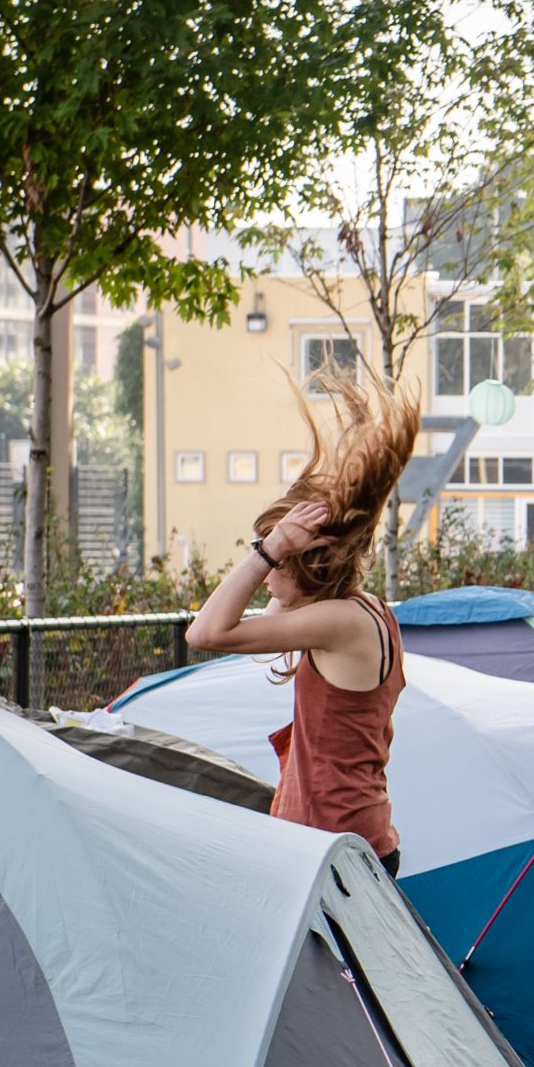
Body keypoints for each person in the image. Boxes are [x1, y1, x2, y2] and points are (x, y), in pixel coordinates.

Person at [187, 371, 422, 873]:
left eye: (276, 567)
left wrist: (269, 550)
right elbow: (260, 617)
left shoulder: (340, 623)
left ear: (307, 567)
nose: (266, 576)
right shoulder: (361, 612)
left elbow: (204, 633)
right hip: (347, 840)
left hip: (335, 851)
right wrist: (286, 540)